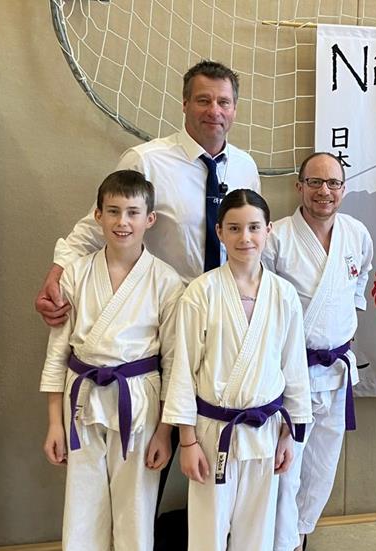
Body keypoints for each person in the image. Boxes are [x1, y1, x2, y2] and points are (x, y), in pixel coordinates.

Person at [34, 59, 261, 509]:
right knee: (152, 451)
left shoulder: (245, 166)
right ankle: (139, 533)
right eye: (203, 100)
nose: (214, 111)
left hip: (225, 320)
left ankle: (215, 533)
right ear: (184, 104)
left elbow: (250, 239)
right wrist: (57, 272)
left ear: (235, 109)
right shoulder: (147, 159)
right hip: (165, 320)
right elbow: (96, 226)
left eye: (223, 102)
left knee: (218, 442)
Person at [40, 170, 183, 550]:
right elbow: (57, 353)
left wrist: (164, 432)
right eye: (114, 211)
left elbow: (173, 363)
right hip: (80, 397)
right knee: (82, 504)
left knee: (135, 507)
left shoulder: (166, 281)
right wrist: (54, 424)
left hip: (139, 400)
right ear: (98, 216)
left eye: (133, 213)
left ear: (149, 219)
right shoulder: (75, 274)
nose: (123, 222)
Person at [162, 189, 312, 551]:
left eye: (254, 227)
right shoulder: (201, 292)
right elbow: (183, 370)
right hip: (213, 433)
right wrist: (187, 442)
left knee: (257, 533)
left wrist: (289, 435)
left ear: (268, 230)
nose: (245, 237)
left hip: (265, 430)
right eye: (234, 228)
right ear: (220, 232)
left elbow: (294, 369)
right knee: (207, 533)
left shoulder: (283, 294)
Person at [266, 152, 374, 551]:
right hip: (292, 372)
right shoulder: (276, 237)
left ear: (343, 189)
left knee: (323, 464)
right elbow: (260, 302)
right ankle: (279, 541)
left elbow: (361, 277)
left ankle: (299, 535)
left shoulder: (356, 234)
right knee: (285, 465)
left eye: (333, 183)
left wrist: (346, 315)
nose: (324, 191)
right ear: (299, 187)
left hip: (337, 370)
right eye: (315, 182)